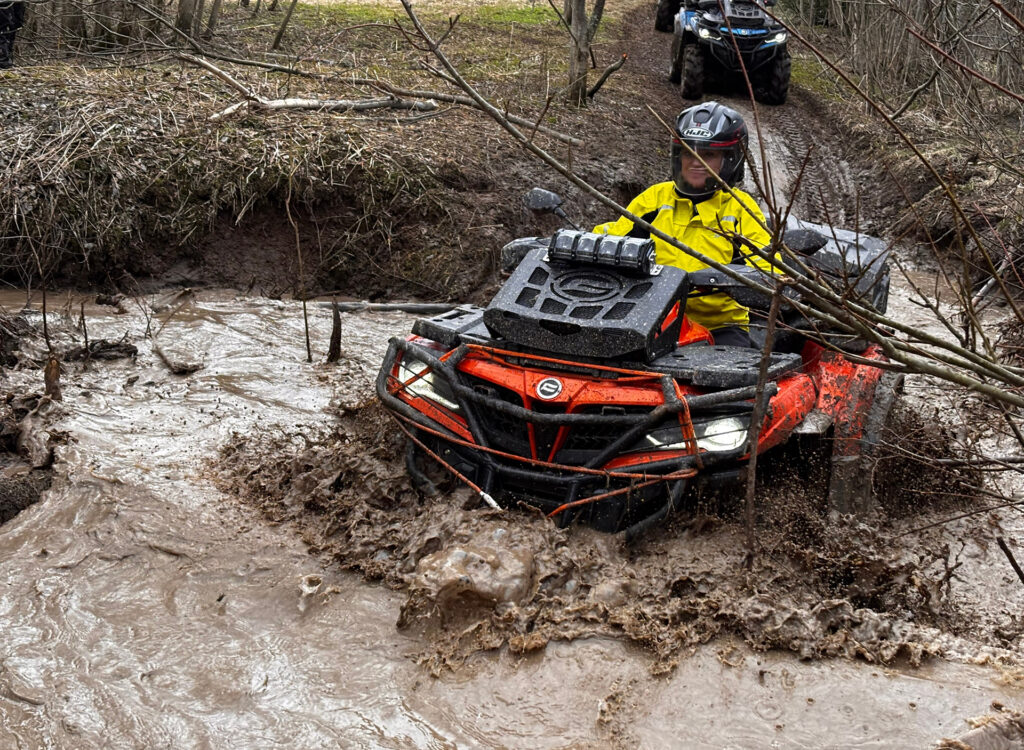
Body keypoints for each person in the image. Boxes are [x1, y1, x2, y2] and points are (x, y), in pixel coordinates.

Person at [594, 100, 776, 348]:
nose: (695, 162)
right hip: (646, 320)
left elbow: (768, 269)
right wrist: (574, 243)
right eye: (688, 152)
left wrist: (734, 279)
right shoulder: (654, 199)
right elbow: (613, 236)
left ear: (731, 160)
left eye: (708, 154)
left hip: (719, 328)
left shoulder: (740, 209)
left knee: (741, 381)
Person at [0, 0, 26, 69]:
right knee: (5, 35)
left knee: (7, 35)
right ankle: (4, 63)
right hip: (8, 10)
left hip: (9, 10)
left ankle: (5, 63)